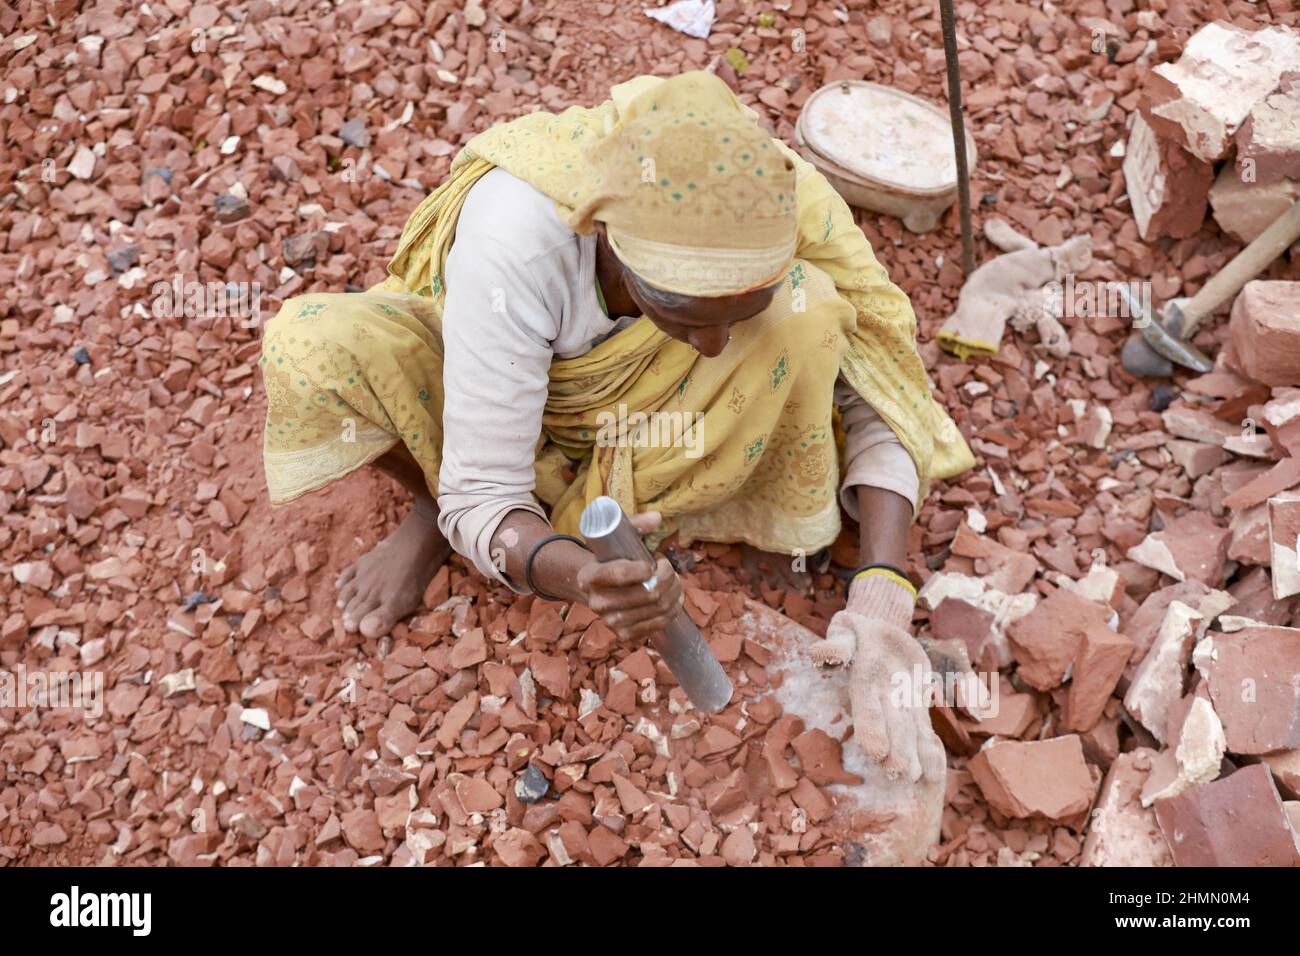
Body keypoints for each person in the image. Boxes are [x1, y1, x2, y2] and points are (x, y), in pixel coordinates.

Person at [259, 71, 972, 783]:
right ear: (611, 247)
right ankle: (431, 505)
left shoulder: (773, 196)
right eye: (688, 315)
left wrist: (882, 595)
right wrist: (582, 576)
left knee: (811, 311)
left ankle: (695, 496)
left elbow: (883, 383)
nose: (720, 344)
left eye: (738, 314)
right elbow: (485, 495)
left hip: (653, 416)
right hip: (498, 385)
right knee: (316, 351)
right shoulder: (517, 238)